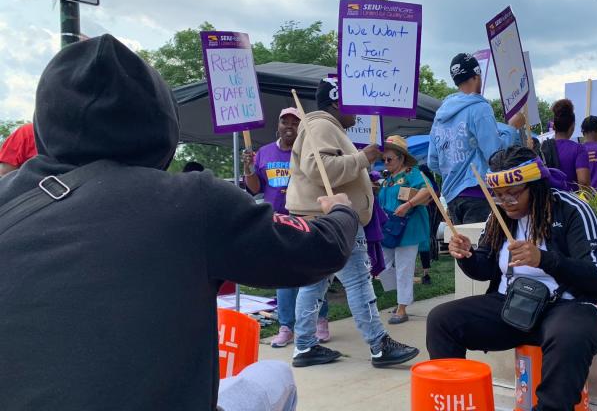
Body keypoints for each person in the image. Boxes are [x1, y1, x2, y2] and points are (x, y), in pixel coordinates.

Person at [0, 35, 360, 411]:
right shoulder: (191, 201)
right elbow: (318, 250)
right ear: (160, 117)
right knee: (275, 375)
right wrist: (341, 211)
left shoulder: (8, 197)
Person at [426, 146, 597, 411]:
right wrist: (466, 256)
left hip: (570, 306)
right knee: (442, 320)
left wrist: (543, 259)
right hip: (513, 306)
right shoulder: (498, 215)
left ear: (536, 186)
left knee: (568, 334)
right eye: (499, 195)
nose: (506, 202)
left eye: (514, 194)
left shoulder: (572, 210)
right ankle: (455, 401)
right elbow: (484, 269)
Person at [286, 78, 419, 368]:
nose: (358, 112)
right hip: (334, 219)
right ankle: (379, 344)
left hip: (323, 218)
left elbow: (325, 171)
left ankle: (304, 346)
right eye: (353, 104)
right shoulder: (322, 126)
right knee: (358, 279)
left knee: (315, 283)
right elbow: (318, 170)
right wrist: (362, 158)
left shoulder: (324, 127)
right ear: (336, 101)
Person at [240, 107, 332, 348]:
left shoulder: (310, 151)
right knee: (283, 275)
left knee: (312, 273)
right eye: (285, 121)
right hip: (276, 223)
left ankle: (320, 319)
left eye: (295, 121)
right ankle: (285, 326)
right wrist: (249, 168)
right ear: (278, 125)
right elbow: (254, 187)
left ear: (302, 126)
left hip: (307, 219)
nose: (289, 125)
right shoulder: (264, 152)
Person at [428, 52, 520, 225]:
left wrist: (455, 171)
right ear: (477, 76)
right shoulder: (479, 108)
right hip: (479, 192)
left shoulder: (440, 117)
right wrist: (511, 129)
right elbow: (495, 155)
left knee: (463, 249)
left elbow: (433, 162)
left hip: (452, 195)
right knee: (482, 249)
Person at [377, 135, 431, 324]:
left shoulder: (411, 172)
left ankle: (402, 307)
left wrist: (408, 204)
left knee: (404, 268)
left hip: (409, 227)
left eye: (389, 159)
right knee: (380, 265)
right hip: (389, 228)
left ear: (401, 158)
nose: (385, 162)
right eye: (383, 159)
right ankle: (402, 296)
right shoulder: (386, 180)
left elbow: (427, 191)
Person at [540, 99, 590, 191]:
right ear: (572, 126)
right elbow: (584, 182)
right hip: (571, 202)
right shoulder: (579, 149)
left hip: (548, 201)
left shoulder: (543, 147)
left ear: (554, 126)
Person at [417, 164, 441, 285]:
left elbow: (435, 195)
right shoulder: (427, 182)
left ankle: (430, 260)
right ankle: (428, 266)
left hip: (429, 211)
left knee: (428, 237)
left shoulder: (427, 182)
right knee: (428, 237)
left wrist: (426, 200)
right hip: (428, 211)